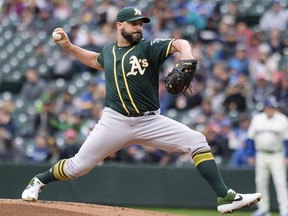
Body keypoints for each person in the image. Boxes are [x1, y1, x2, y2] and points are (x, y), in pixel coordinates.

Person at [21, 7, 261, 214]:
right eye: (133, 24)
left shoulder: (148, 48)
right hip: (114, 121)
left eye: (141, 24)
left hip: (150, 121)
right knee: (77, 167)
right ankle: (38, 180)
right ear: (119, 25)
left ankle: (225, 197)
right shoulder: (109, 51)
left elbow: (178, 42)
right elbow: (95, 60)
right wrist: (70, 46)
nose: (138, 28)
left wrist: (186, 53)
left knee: (197, 141)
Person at [246, 96, 288, 216]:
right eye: (269, 107)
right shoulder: (257, 119)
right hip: (261, 154)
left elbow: (287, 140)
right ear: (265, 108)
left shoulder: (282, 119)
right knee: (260, 182)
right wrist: (250, 154)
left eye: (273, 108)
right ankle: (263, 209)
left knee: (280, 182)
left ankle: (284, 210)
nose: (271, 110)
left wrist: (287, 155)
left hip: (277, 154)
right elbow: (250, 138)